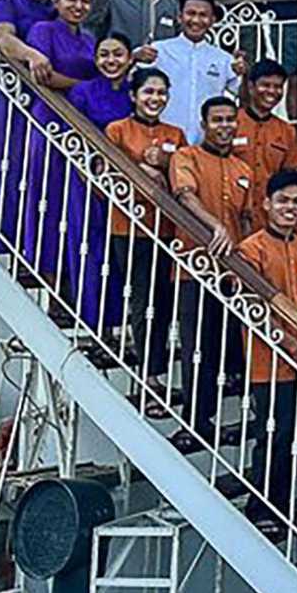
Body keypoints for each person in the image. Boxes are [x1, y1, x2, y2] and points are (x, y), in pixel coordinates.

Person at [235, 169, 297, 533]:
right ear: (266, 204)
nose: (290, 208)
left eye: (295, 201)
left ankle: (284, 506)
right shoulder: (252, 249)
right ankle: (262, 509)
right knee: (273, 437)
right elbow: (253, 309)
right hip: (270, 361)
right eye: (282, 201)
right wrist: (292, 344)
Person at [169, 95, 255, 442]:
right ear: (204, 124)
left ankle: (221, 417)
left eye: (229, 120)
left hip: (232, 274)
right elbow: (185, 196)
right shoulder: (186, 156)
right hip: (195, 269)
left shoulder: (243, 169)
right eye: (217, 120)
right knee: (197, 348)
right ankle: (195, 422)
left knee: (229, 346)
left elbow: (247, 220)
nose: (224, 126)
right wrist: (214, 226)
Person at [105, 67, 185, 398]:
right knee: (142, 300)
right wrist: (139, 170)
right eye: (148, 92)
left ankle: (157, 370)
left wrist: (164, 165)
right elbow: (104, 172)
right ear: (133, 96)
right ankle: (148, 376)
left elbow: (183, 175)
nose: (155, 99)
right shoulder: (117, 130)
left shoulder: (175, 134)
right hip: (131, 227)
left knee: (164, 301)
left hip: (166, 228)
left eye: (161, 93)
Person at [18, 0, 101, 283]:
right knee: (48, 194)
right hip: (52, 119)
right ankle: (45, 269)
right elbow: (44, 76)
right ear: (58, 1)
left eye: (85, 1)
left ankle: (75, 278)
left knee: (77, 201)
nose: (79, 6)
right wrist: (87, 86)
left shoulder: (91, 39)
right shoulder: (44, 31)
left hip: (84, 122)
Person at [0, 0, 59, 257]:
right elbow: (2, 37)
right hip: (14, 95)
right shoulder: (8, 1)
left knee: (44, 173)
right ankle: (8, 243)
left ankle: (38, 246)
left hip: (50, 100)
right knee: (10, 165)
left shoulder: (56, 10)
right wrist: (32, 55)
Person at [61, 33, 138, 332]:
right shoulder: (82, 91)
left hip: (126, 179)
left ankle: (122, 323)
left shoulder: (135, 91)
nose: (111, 61)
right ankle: (95, 322)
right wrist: (88, 169)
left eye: (118, 54)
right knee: (91, 246)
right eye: (104, 55)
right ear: (95, 60)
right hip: (89, 179)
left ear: (129, 58)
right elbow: (74, 133)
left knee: (124, 251)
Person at [151, 0, 240, 146]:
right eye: (190, 13)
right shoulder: (158, 51)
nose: (196, 20)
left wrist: (243, 74)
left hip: (206, 144)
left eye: (203, 15)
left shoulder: (224, 59)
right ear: (180, 17)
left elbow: (242, 96)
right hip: (165, 140)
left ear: (212, 20)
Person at [237, 59, 297, 232]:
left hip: (268, 222)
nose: (272, 91)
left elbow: (291, 177)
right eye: (265, 85)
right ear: (251, 87)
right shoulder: (232, 123)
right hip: (233, 215)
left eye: (278, 86)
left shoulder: (287, 131)